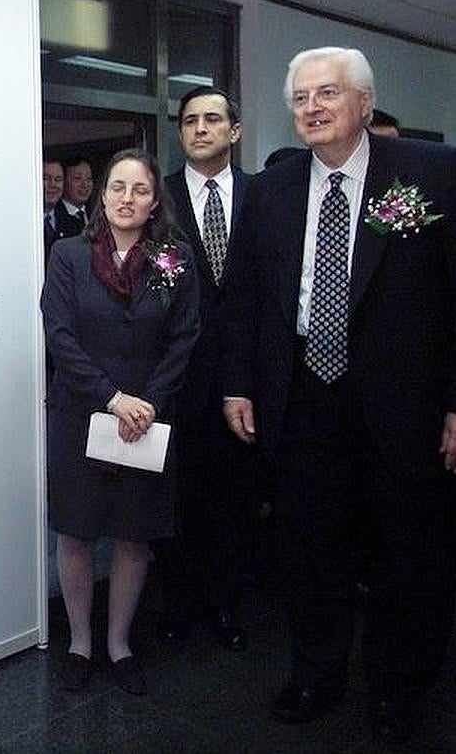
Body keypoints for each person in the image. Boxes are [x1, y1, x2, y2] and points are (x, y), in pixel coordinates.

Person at [221, 47, 456, 743]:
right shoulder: (271, 190)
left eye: (328, 93)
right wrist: (238, 385)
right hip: (304, 403)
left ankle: (397, 687)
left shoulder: (433, 173)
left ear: (365, 103)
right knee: (311, 552)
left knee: (410, 557)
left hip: (407, 409)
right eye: (300, 98)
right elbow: (245, 300)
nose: (312, 107)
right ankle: (317, 673)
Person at [41, 148, 200, 696]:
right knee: (77, 532)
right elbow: (59, 335)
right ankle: (80, 643)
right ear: (101, 196)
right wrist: (112, 397)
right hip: (81, 414)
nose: (126, 198)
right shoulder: (67, 255)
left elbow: (184, 337)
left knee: (134, 536)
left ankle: (120, 643)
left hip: (148, 421)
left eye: (139, 189)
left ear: (155, 200)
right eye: (116, 188)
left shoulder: (173, 258)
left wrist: (148, 401)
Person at [155, 86, 256, 652]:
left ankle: (225, 605)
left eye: (212, 119)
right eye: (190, 121)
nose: (199, 129)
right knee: (177, 501)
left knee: (234, 503)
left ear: (233, 131)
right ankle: (177, 606)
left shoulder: (264, 196)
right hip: (177, 380)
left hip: (243, 382)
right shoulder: (158, 198)